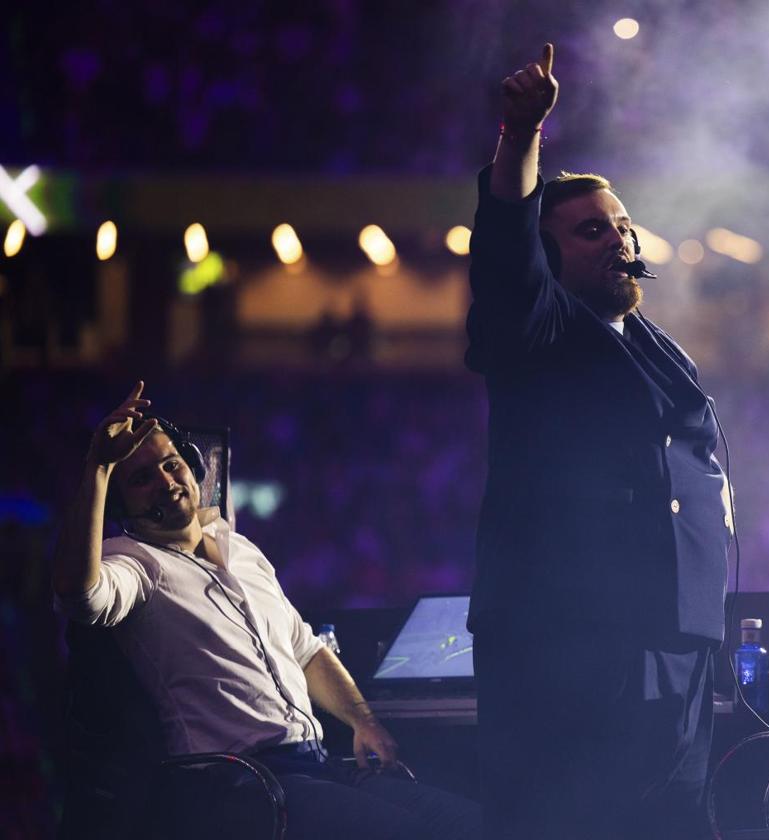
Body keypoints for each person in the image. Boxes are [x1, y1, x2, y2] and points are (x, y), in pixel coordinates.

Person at [465, 44, 734, 839]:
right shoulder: (538, 331)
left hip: (671, 641)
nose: (618, 239)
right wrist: (521, 137)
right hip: (577, 646)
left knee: (677, 820)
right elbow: (506, 252)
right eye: (590, 231)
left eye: (621, 224)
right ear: (550, 257)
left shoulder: (650, 340)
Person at [52, 382, 481, 840]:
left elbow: (308, 651)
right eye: (141, 479)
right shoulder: (134, 561)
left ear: (194, 470)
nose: (166, 482)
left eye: (171, 464)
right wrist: (99, 466)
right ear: (122, 505)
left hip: (315, 765)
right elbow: (82, 596)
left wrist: (363, 721)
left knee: (475, 825)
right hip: (244, 787)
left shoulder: (242, 550)